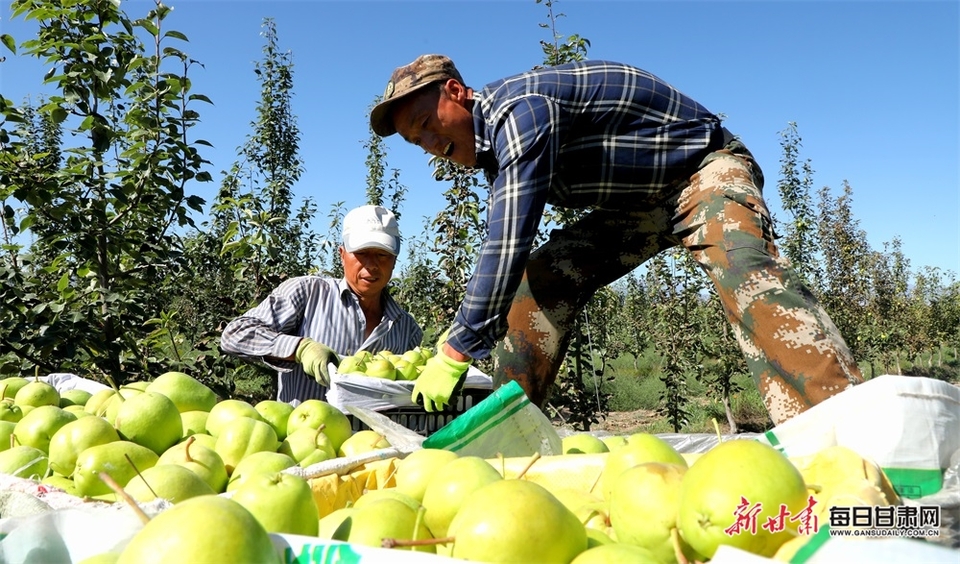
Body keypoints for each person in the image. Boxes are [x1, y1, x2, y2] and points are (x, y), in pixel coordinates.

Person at [369, 54, 863, 424]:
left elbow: (506, 237)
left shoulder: (518, 112)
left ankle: (842, 431)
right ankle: (507, 432)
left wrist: (458, 346)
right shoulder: (497, 147)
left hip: (701, 168)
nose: (430, 144)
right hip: (642, 202)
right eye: (417, 142)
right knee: (546, 278)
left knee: (743, 265)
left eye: (426, 124)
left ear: (456, 92)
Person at [220, 205, 423, 403]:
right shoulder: (307, 293)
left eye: (382, 255)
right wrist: (299, 348)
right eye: (361, 253)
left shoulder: (407, 329)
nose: (371, 265)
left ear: (394, 260)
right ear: (342, 255)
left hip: (373, 437)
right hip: (304, 433)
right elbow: (235, 334)